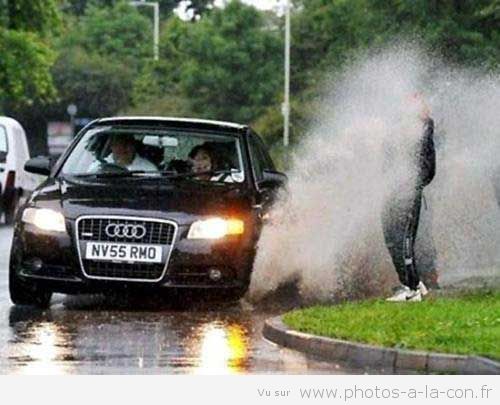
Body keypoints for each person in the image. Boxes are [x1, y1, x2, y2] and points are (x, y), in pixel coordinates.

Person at [382, 93, 436, 302]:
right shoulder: (400, 130)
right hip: (396, 190)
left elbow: (427, 167)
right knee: (391, 236)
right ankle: (413, 283)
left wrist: (413, 185)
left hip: (408, 190)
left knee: (404, 239)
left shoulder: (422, 128)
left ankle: (412, 288)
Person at [89, 135, 157, 172]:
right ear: (111, 146)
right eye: (119, 144)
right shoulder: (98, 167)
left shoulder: (149, 169)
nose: (123, 148)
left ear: (133, 146)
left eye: (127, 144)